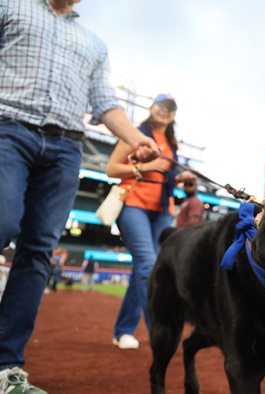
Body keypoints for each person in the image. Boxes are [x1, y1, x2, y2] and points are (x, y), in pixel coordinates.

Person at [0, 1, 159, 392]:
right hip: (9, 129)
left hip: (66, 147)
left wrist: (138, 139)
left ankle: (6, 367)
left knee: (38, 251)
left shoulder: (93, 43)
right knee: (1, 223)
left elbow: (105, 103)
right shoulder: (10, 6)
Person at [106, 94, 179, 350]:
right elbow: (111, 169)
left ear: (174, 115)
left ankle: (123, 331)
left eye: (170, 108)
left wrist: (180, 179)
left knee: (144, 269)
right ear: (151, 107)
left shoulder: (172, 142)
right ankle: (160, 335)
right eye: (161, 105)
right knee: (149, 266)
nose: (165, 111)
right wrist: (149, 167)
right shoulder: (136, 134)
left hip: (162, 210)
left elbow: (164, 175)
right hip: (134, 204)